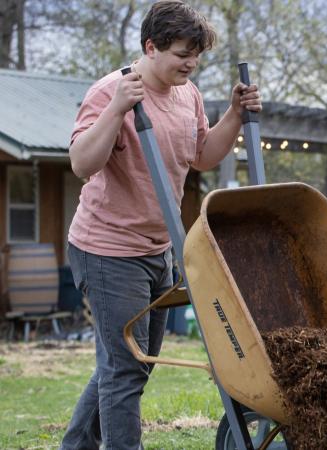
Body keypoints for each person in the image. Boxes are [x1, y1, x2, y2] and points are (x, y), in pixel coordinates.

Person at [60, 2, 262, 449]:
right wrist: (116, 110)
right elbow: (80, 163)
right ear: (150, 47)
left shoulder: (185, 93)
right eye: (181, 54)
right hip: (108, 249)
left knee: (137, 363)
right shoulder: (111, 91)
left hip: (159, 247)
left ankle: (76, 445)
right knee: (124, 368)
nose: (190, 63)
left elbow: (203, 155)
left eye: (196, 55)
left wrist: (233, 114)